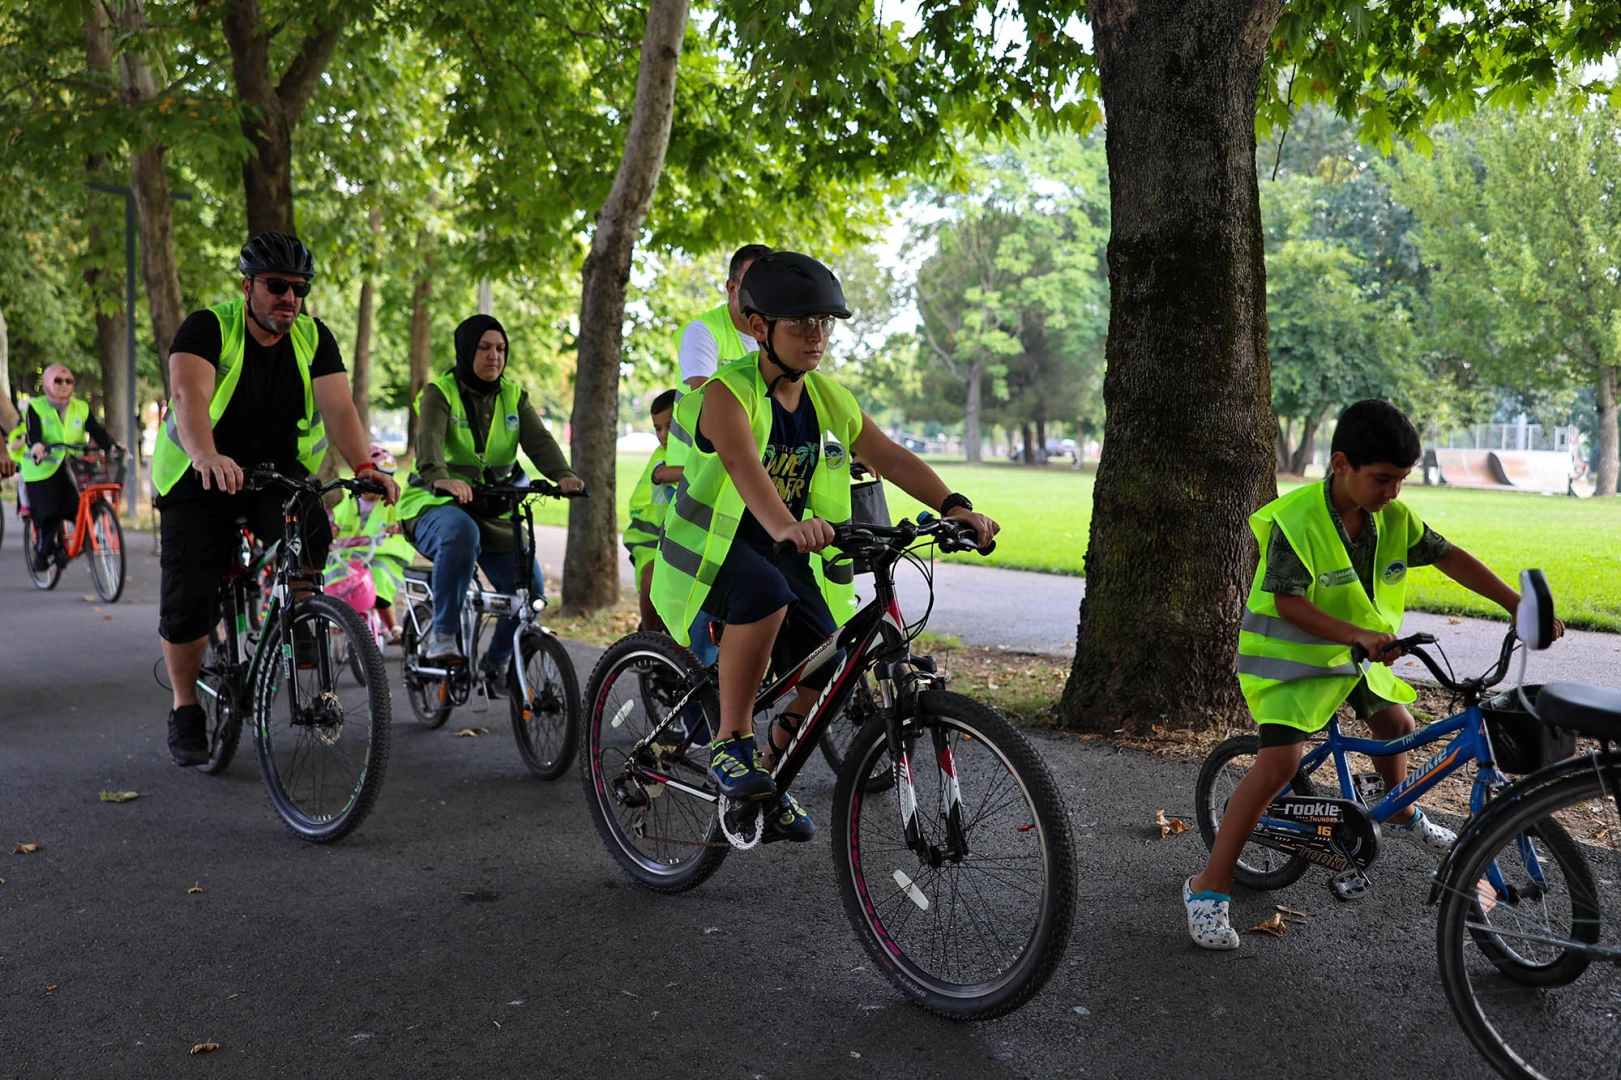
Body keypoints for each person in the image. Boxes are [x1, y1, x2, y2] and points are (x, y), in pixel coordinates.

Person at [1183, 398, 1566, 950]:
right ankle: (1207, 887)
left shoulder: (1392, 517)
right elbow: (1287, 603)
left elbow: (1448, 555)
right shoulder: (1297, 520)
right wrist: (1355, 636)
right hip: (1292, 666)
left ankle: (1403, 813)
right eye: (1382, 479)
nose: (1393, 493)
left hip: (1358, 657)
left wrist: (1514, 603)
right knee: (1277, 767)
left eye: (1402, 480)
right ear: (1341, 464)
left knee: (1396, 725)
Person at [651, 251, 999, 841]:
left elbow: (887, 455)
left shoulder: (823, 395)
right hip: (712, 546)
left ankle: (767, 775)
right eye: (800, 324)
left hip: (778, 542)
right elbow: (740, 463)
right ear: (759, 327)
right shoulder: (725, 393)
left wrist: (953, 506)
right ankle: (731, 742)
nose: (816, 337)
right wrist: (787, 524)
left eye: (824, 324)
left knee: (831, 658)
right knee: (763, 594)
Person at [153, 232, 399, 767]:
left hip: (273, 472)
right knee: (189, 593)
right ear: (248, 286)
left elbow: (338, 408)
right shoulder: (209, 327)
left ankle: (301, 615)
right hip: (201, 474)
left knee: (312, 522)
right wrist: (204, 455)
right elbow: (187, 394)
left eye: (298, 289)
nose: (289, 298)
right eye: (276, 286)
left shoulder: (314, 337)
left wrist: (364, 467)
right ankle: (186, 704)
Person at [395, 314, 584, 685]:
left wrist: (563, 474)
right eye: (483, 348)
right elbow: (429, 440)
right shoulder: (440, 392)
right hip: (435, 505)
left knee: (530, 594)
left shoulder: (514, 396)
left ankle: (496, 663)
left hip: (494, 509)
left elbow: (540, 442)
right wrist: (442, 478)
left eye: (500, 349)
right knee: (460, 534)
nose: (493, 356)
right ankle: (443, 634)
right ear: (466, 350)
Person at [20, 365, 113, 570]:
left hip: (73, 467)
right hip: (41, 468)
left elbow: (96, 431)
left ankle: (81, 541)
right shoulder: (36, 407)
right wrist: (36, 446)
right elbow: (31, 434)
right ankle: (42, 551)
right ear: (47, 383)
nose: (64, 385)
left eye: (68, 381)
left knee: (83, 505)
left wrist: (112, 445)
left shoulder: (81, 407)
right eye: (58, 381)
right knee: (49, 511)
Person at [325, 445, 414, 644]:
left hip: (384, 553)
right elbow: (334, 521)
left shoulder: (393, 503)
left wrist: (397, 527)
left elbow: (405, 519)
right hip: (350, 556)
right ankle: (339, 617)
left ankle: (393, 626)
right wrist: (332, 529)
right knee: (335, 575)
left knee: (379, 579)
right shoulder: (348, 502)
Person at [675, 244, 774, 392]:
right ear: (733, 288)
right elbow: (708, 404)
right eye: (754, 283)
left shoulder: (784, 329)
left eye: (770, 284)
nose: (764, 292)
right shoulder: (703, 331)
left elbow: (812, 389)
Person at [624, 389, 681, 633]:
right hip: (648, 538)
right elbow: (662, 474)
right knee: (650, 579)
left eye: (670, 426)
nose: (664, 435)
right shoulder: (662, 455)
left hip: (677, 538)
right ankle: (650, 638)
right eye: (658, 429)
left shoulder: (690, 449)